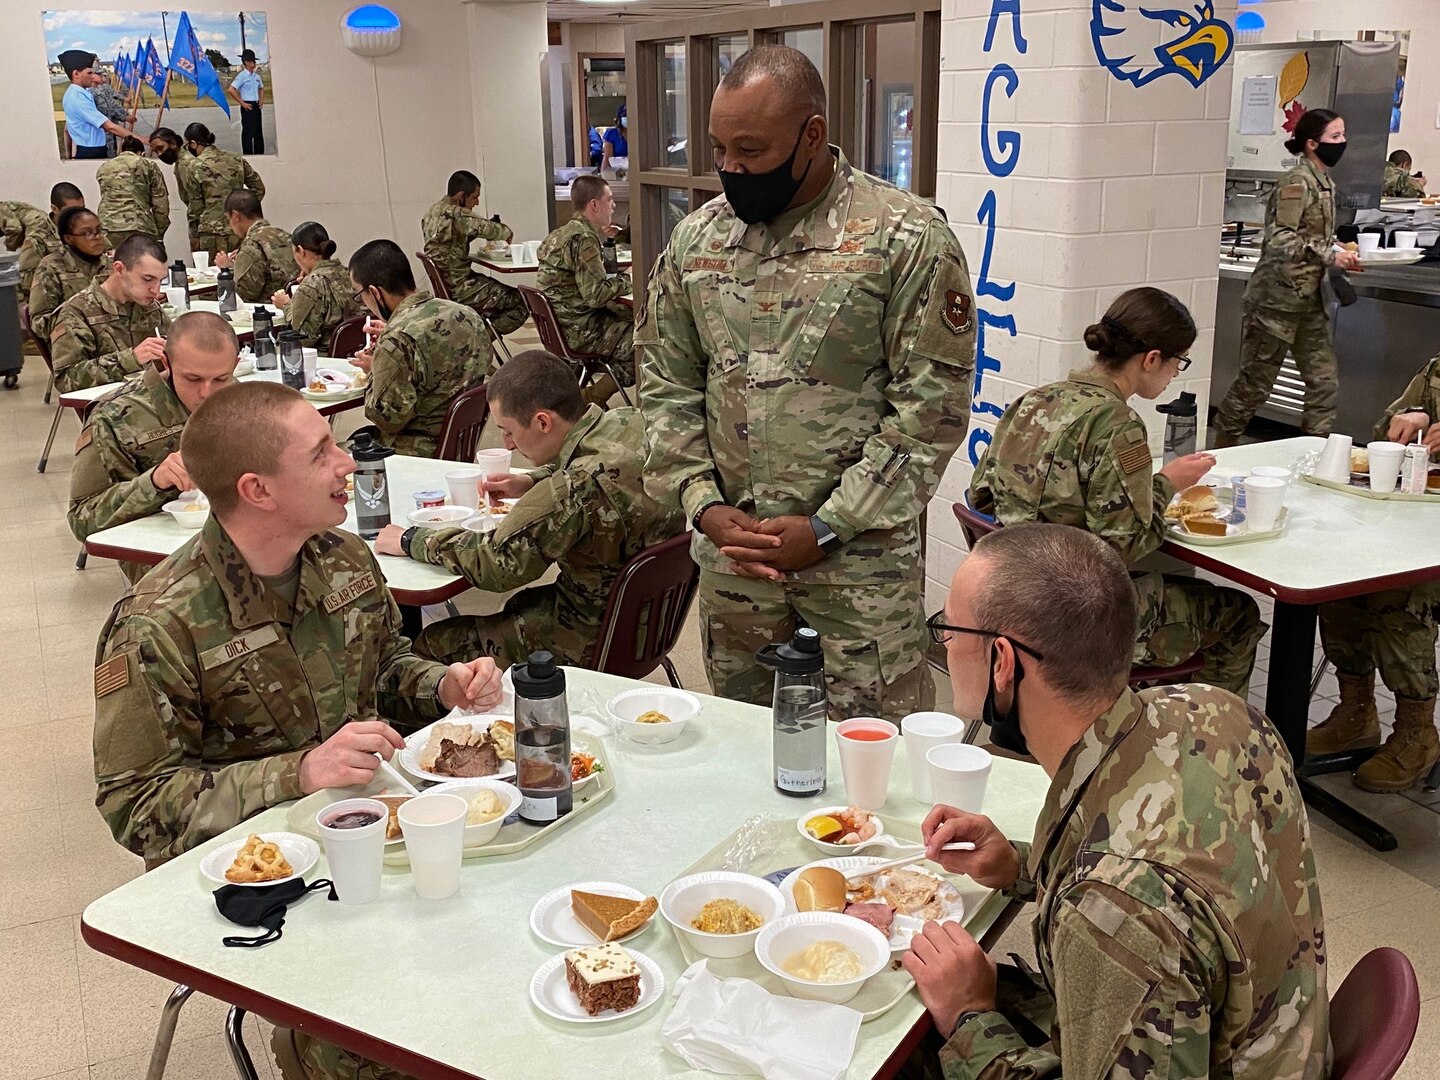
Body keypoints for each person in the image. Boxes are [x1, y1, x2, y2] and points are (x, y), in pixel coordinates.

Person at [89, 380, 503, 1080]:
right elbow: (136, 807)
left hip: (368, 836)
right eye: (321, 454)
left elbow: (384, 660)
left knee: (490, 958)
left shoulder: (341, 556)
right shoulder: (159, 623)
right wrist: (299, 772)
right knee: (387, 1043)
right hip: (260, 877)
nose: (348, 464)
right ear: (258, 490)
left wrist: (440, 683)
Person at [907, 522, 1326, 1079]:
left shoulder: (1116, 909)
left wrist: (969, 1018)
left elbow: (1138, 890)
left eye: (950, 630)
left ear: (1001, 662)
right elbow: (1186, 869)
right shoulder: (1209, 709)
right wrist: (1025, 866)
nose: (947, 643)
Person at [638, 45, 975, 721]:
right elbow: (664, 385)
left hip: (858, 581)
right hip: (738, 577)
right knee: (747, 760)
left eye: (751, 150)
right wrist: (702, 503)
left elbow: (928, 413)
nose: (732, 169)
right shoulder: (697, 242)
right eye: (719, 150)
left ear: (811, 136)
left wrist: (828, 526)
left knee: (872, 783)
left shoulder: (903, 238)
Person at [969, 288, 1265, 697]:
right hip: (1071, 618)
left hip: (1008, 600)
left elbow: (980, 496)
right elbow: (1123, 544)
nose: (1174, 374)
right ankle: (1210, 740)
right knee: (1238, 613)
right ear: (1151, 359)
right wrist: (1167, 484)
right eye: (1178, 363)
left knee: (1188, 594)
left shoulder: (1034, 401)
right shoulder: (1116, 424)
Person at [375, 350, 683, 667]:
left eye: (508, 431)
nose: (507, 443)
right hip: (651, 623)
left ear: (542, 422)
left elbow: (496, 565)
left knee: (427, 648)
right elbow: (598, 467)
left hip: (586, 637)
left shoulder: (573, 491)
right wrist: (532, 481)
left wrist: (410, 539)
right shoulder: (629, 422)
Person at [1307, 355, 1440, 791]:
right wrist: (1410, 419)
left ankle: (1417, 730)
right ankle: (1356, 711)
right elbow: (1384, 431)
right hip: (1421, 518)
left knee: (1399, 596)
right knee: (1342, 579)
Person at [1212, 109, 1363, 445]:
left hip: (1308, 300)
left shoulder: (1324, 182)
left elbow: (1314, 236)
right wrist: (1329, 255)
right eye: (1335, 137)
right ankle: (1220, 450)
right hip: (1274, 302)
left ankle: (1312, 455)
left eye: (1343, 135)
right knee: (1255, 384)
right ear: (1312, 144)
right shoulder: (1297, 182)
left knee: (1323, 383)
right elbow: (1281, 237)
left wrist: (1340, 250)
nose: (1343, 142)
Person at [68, 311, 239, 583]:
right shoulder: (115, 416)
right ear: (165, 362)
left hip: (242, 528)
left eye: (220, 379)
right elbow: (82, 520)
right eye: (193, 379)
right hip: (165, 554)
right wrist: (155, 482)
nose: (207, 392)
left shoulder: (242, 399)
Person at [348, 239, 493, 456]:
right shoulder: (467, 314)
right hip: (462, 445)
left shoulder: (397, 339)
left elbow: (389, 419)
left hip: (416, 452)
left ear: (375, 292)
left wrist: (375, 371)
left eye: (360, 295)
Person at [537, 174, 633, 406]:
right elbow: (596, 296)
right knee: (647, 338)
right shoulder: (583, 239)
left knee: (631, 316)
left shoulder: (560, 233)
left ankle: (584, 392)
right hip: (579, 330)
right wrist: (629, 277)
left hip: (559, 327)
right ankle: (594, 396)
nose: (613, 205)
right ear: (594, 205)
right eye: (609, 199)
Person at [49, 234, 170, 393]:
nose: (156, 290)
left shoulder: (148, 305)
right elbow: (66, 378)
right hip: (112, 409)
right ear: (119, 269)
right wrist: (131, 359)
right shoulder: (76, 312)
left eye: (161, 281)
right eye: (147, 279)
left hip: (156, 396)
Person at [420, 170, 528, 336]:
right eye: (475, 197)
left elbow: (449, 240)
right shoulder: (458, 215)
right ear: (461, 196)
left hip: (446, 286)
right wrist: (506, 233)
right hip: (461, 288)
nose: (476, 203)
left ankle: (475, 333)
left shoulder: (432, 212)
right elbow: (500, 231)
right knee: (522, 303)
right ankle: (480, 341)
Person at [269, 222, 364, 349]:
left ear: (301, 251)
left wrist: (286, 305)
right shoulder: (348, 273)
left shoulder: (312, 285)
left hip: (323, 356)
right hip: (354, 350)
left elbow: (302, 338)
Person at [27, 205, 111, 343]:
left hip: (110, 336)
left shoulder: (108, 264)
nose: (97, 237)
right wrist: (76, 320)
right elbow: (39, 324)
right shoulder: (51, 267)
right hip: (76, 342)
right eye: (87, 233)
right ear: (69, 239)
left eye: (99, 230)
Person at [184, 122, 266, 259]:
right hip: (239, 226)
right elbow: (258, 188)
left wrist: (194, 235)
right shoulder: (235, 159)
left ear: (193, 143)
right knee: (240, 269)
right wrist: (245, 210)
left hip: (210, 232)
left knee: (212, 275)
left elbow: (195, 206)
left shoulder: (194, 166)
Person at [215, 188, 298, 302]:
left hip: (268, 310)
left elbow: (244, 294)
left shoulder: (251, 245)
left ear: (235, 216)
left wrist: (227, 269)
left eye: (229, 219)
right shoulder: (284, 235)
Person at [4, 184, 84, 302]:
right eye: (71, 211)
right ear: (55, 209)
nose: (78, 215)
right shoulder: (38, 238)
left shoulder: (86, 229)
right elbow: (28, 282)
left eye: (82, 208)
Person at [58, 50, 136, 160]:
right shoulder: (78, 98)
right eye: (90, 73)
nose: (94, 76)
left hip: (103, 143)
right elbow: (109, 126)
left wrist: (125, 116)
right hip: (91, 150)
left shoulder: (85, 93)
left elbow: (112, 107)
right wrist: (141, 139)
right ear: (76, 74)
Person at [96, 136, 171, 249]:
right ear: (142, 153)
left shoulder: (104, 167)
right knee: (141, 263)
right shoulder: (147, 165)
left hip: (108, 226)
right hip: (139, 225)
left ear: (121, 151)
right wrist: (159, 232)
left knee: (113, 264)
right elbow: (160, 203)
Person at [149, 127, 201, 253]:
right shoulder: (182, 162)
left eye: (161, 148)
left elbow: (196, 202)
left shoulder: (186, 164)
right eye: (156, 152)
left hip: (204, 226)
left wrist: (195, 235)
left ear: (173, 143)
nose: (160, 154)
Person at [227, 48, 267, 155]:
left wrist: (261, 100)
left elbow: (261, 88)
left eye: (254, 61)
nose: (253, 63)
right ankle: (248, 153)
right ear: (246, 62)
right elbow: (231, 89)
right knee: (248, 132)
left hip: (256, 105)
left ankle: (259, 152)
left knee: (258, 131)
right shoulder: (242, 76)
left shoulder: (256, 76)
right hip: (247, 105)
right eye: (251, 61)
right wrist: (242, 102)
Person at [89, 67, 135, 158]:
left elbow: (111, 104)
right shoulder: (90, 92)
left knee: (112, 152)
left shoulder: (102, 88)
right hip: (101, 131)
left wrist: (124, 115)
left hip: (109, 128)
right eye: (102, 75)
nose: (104, 78)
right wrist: (124, 116)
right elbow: (108, 108)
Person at [600, 104, 628, 172]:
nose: (628, 118)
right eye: (625, 116)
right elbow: (607, 158)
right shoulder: (612, 134)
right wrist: (605, 176)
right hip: (618, 173)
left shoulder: (639, 133)